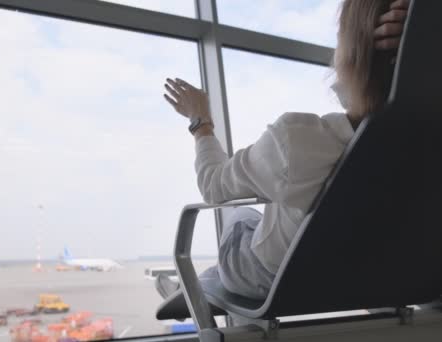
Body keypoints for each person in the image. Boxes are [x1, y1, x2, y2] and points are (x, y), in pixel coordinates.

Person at [158, 0, 410, 301]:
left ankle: (187, 290)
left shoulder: (296, 141)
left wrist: (201, 122)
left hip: (281, 281)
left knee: (239, 217)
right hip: (369, 275)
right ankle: (191, 287)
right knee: (256, 221)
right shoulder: (435, 148)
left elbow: (213, 185)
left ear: (352, 52)